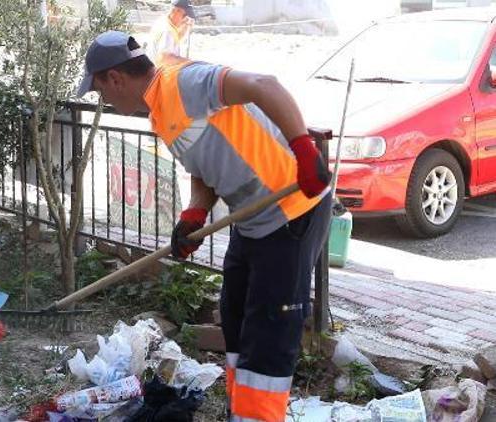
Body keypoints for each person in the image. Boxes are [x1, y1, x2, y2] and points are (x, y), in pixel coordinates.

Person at [78, 31, 332, 421]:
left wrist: (302, 148)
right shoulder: (160, 111)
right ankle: (241, 411)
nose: (105, 100)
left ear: (115, 78)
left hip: (291, 211)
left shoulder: (183, 83)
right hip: (251, 222)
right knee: (233, 318)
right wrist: (194, 214)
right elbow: (205, 167)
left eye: (101, 91)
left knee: (268, 336)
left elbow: (264, 85)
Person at [146, 0, 195, 65]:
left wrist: (185, 28)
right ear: (176, 11)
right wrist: (187, 62)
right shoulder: (167, 31)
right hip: (158, 72)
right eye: (185, 16)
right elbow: (164, 58)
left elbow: (174, 39)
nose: (186, 20)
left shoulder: (164, 21)